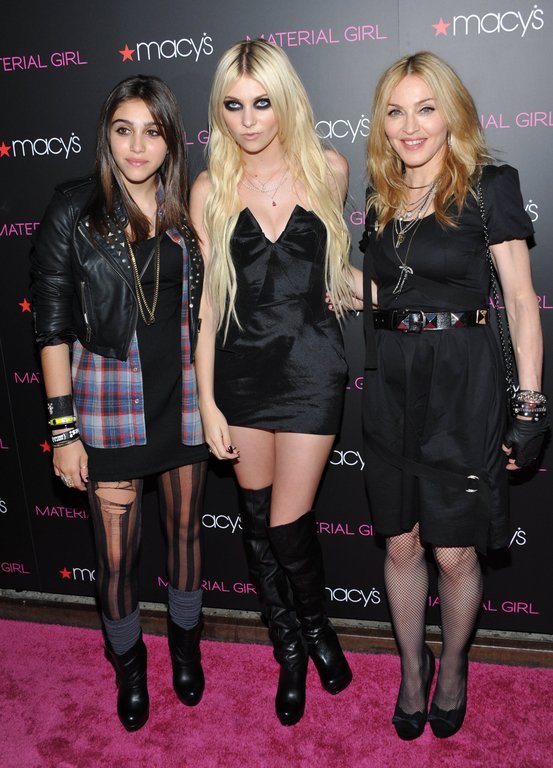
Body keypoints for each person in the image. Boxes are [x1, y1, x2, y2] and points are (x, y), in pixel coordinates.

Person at [359, 52, 548, 740]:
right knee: (400, 544)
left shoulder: (488, 186)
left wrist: (531, 406)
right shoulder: (381, 194)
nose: (409, 126)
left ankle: (456, 664)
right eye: (395, 111)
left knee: (453, 553)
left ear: (451, 114)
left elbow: (521, 302)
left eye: (425, 108)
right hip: (391, 387)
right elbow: (383, 289)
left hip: (461, 387)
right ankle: (413, 668)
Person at [31, 75, 208, 732]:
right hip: (108, 402)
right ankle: (129, 665)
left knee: (186, 535)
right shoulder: (73, 209)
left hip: (185, 397)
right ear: (106, 135)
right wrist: (63, 430)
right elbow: (51, 326)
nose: (137, 146)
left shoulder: (190, 207)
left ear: (171, 139)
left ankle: (185, 648)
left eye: (152, 132)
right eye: (123, 130)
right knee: (115, 556)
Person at [190, 39, 354, 726]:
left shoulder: (329, 170)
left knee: (289, 525)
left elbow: (339, 275)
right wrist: (206, 401)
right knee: (257, 522)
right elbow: (207, 307)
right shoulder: (209, 189)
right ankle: (289, 648)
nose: (249, 119)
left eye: (261, 103)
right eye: (233, 106)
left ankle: (317, 627)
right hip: (240, 370)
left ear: (285, 101)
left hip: (312, 367)